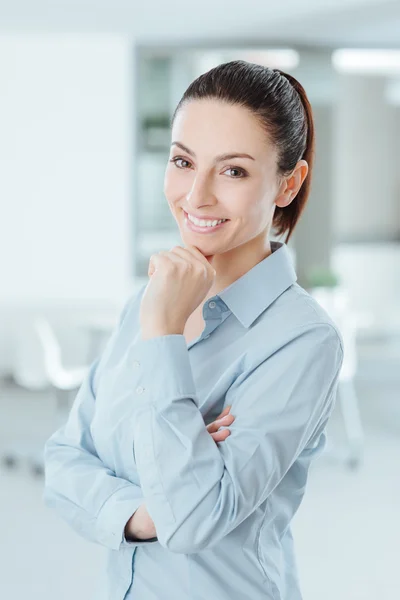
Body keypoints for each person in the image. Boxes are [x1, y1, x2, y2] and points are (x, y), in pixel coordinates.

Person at [43, 60, 344, 600]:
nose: (196, 195)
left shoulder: (302, 339)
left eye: (233, 171)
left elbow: (195, 520)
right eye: (183, 161)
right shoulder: (144, 301)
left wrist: (163, 338)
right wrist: (143, 511)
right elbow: (64, 462)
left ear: (288, 183)